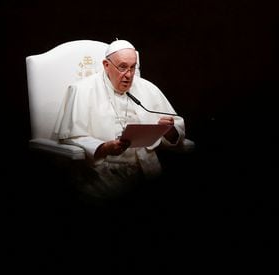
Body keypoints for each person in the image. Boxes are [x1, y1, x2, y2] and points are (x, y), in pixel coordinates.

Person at [53, 39, 186, 203]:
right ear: (106, 65)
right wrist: (104, 147)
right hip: (101, 175)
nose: (129, 75)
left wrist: (170, 131)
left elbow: (176, 129)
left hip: (146, 170)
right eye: (122, 67)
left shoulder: (147, 88)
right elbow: (71, 138)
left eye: (132, 67)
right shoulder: (82, 90)